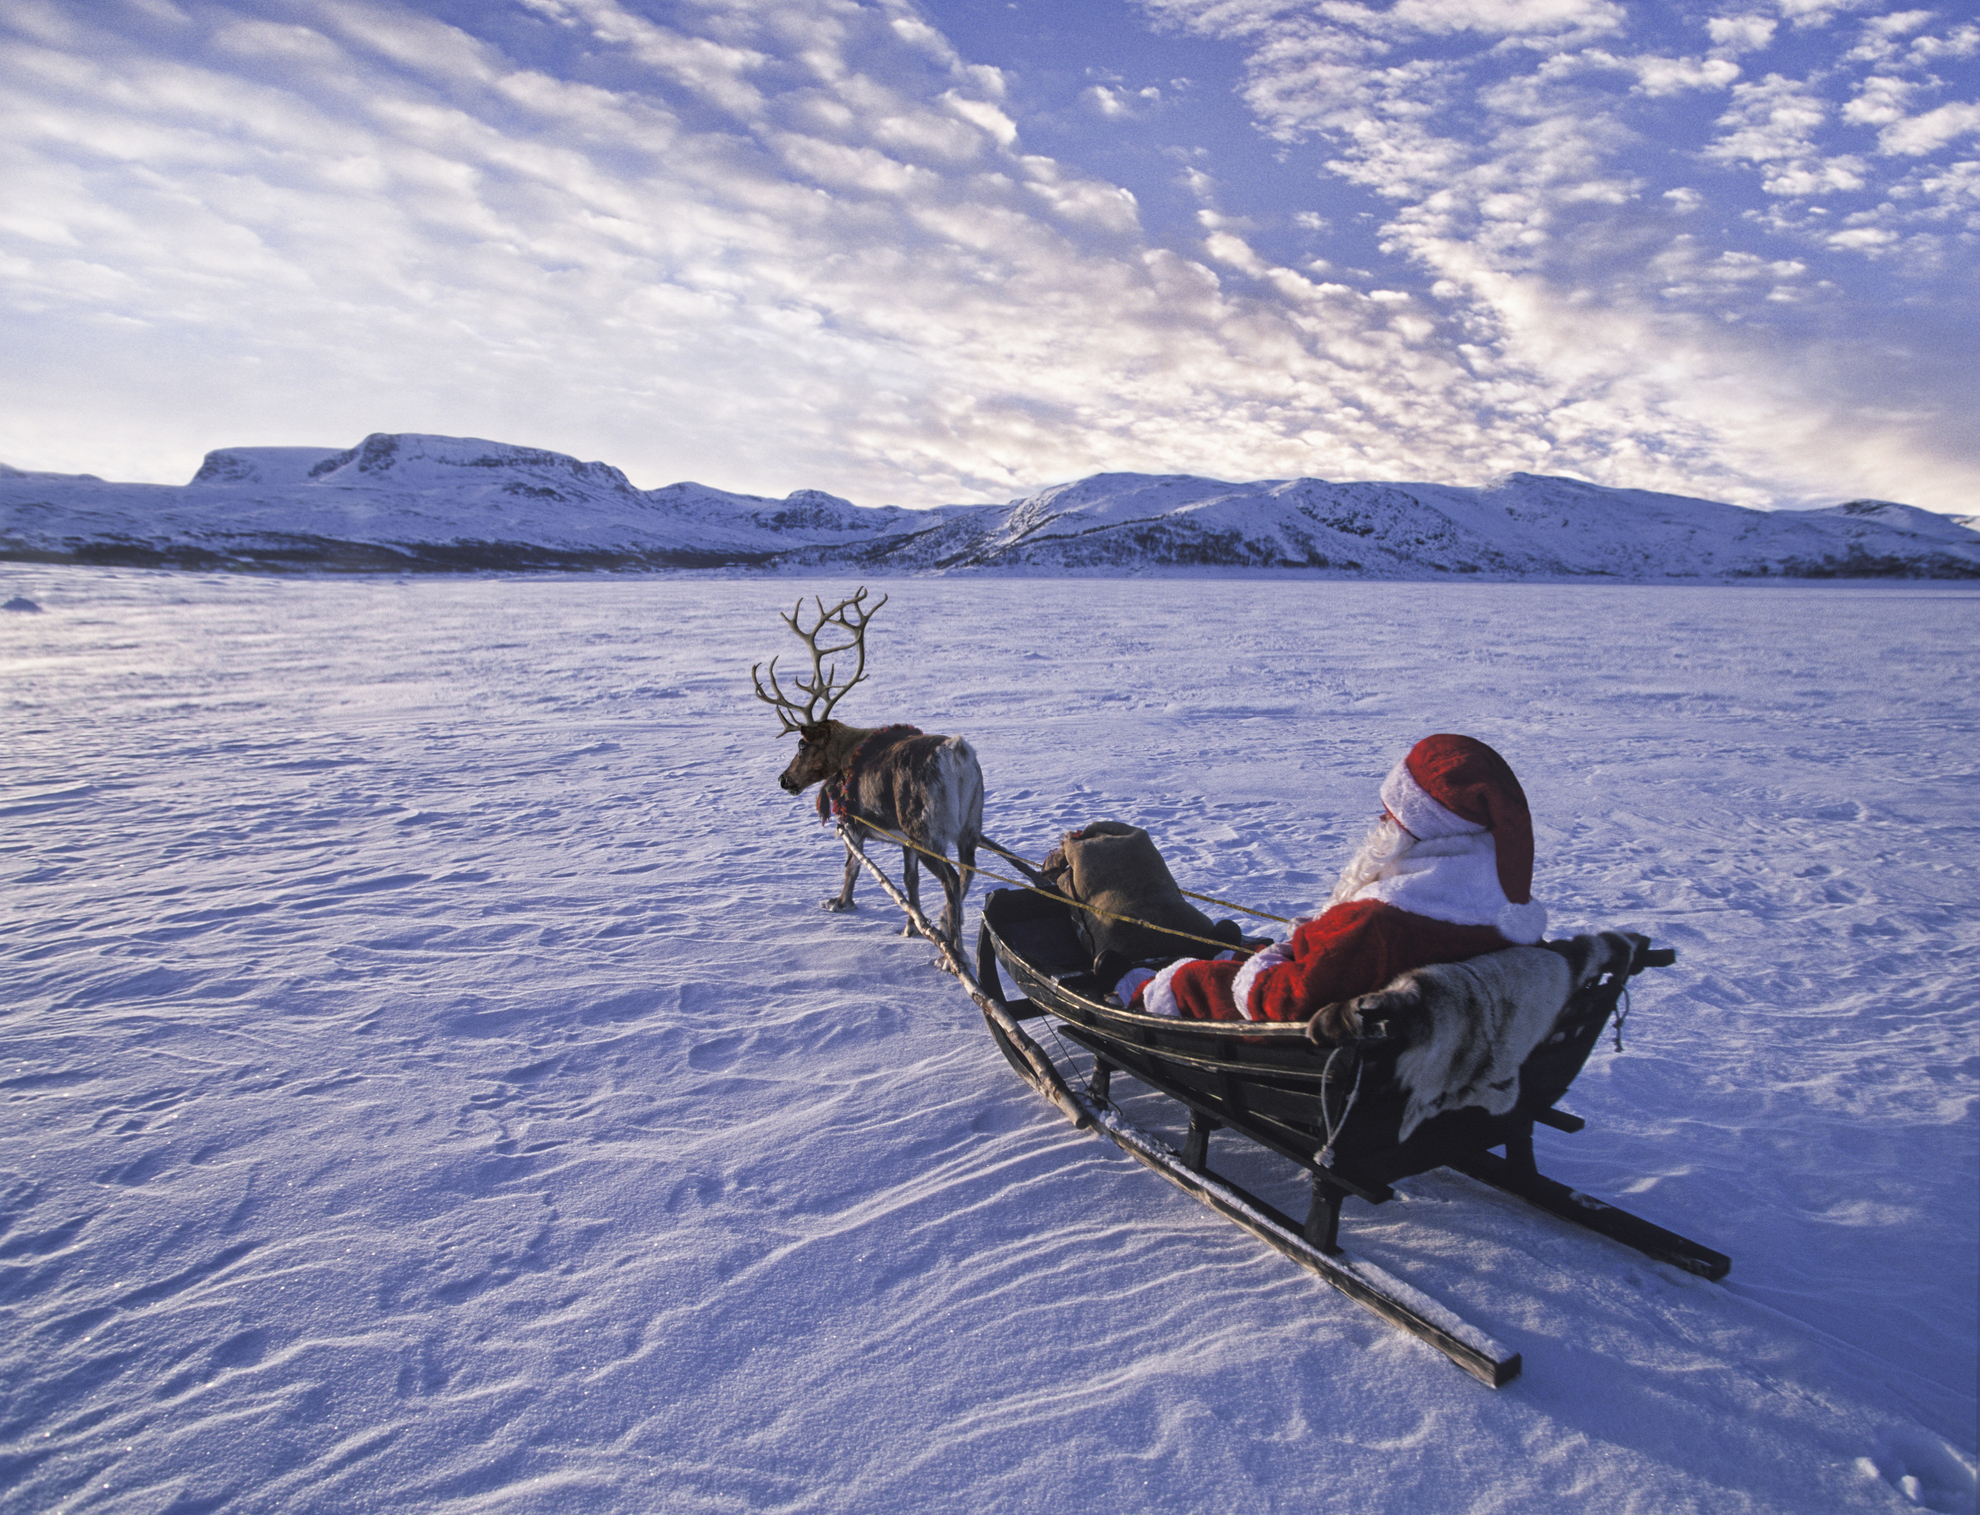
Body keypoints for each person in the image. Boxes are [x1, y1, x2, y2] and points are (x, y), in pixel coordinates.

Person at [1118, 733, 1548, 1038]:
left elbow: (1284, 1002)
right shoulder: (1497, 906)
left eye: (1394, 813)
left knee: (1189, 977)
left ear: (1426, 826)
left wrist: (1271, 960)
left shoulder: (1383, 920)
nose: (1383, 821)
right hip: (1406, 1019)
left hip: (1322, 1045)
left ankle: (1132, 993)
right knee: (1240, 952)